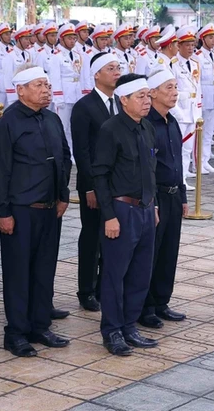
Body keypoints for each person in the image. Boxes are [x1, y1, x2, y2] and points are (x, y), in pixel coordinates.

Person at [0, 66, 72, 357]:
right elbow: (0, 170)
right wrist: (4, 211)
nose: (46, 90)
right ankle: (16, 333)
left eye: (47, 85)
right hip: (21, 211)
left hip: (51, 209)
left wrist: (63, 194)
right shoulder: (8, 123)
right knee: (18, 273)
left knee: (44, 270)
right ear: (21, 90)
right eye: (39, 85)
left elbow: (64, 157)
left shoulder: (51, 118)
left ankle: (40, 325)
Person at [92, 73, 159, 356]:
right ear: (124, 100)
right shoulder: (110, 130)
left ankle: (130, 325)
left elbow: (150, 171)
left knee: (140, 273)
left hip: (145, 210)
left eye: (148, 95)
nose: (147, 101)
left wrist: (153, 206)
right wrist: (109, 215)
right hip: (121, 210)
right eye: (141, 97)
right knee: (114, 274)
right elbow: (100, 175)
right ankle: (112, 330)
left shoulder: (146, 127)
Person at [71, 52, 122, 312]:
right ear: (97, 74)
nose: (116, 72)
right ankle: (86, 290)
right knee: (91, 237)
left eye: (118, 67)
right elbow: (81, 151)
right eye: (111, 68)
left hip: (117, 185)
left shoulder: (122, 103)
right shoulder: (84, 106)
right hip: (93, 185)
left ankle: (105, 286)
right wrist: (90, 186)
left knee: (112, 237)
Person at [139, 68, 188, 329]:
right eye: (168, 88)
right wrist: (153, 202)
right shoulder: (148, 124)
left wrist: (182, 196)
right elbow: (148, 167)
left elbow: (177, 162)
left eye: (176, 87)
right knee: (151, 253)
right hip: (155, 196)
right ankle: (144, 306)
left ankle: (161, 301)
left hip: (172, 195)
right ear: (153, 93)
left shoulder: (173, 121)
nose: (174, 93)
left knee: (169, 250)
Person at [170, 26, 202, 191]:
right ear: (179, 45)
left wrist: (199, 112)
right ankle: (177, 178)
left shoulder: (195, 63)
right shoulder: (173, 64)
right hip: (180, 110)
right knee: (177, 147)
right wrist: (176, 110)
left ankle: (182, 178)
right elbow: (171, 90)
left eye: (192, 44)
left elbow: (198, 89)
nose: (190, 48)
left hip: (193, 110)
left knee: (188, 149)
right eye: (187, 44)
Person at [194, 24, 214, 175]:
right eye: (210, 37)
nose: (213, 40)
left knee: (209, 131)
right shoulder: (198, 56)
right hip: (204, 93)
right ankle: (198, 162)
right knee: (200, 132)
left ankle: (205, 159)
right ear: (203, 39)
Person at [0, 23, 20, 112]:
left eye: (9, 34)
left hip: (10, 83)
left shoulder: (12, 49)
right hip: (0, 83)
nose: (9, 36)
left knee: (10, 109)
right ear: (0, 36)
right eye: (6, 34)